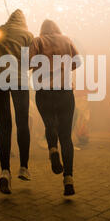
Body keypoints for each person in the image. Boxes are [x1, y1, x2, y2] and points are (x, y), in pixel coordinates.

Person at [29, 19, 81, 196]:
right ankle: (68, 179)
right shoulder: (66, 40)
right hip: (65, 92)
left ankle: (52, 150)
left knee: (49, 124)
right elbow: (77, 62)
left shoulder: (37, 41)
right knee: (66, 136)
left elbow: (28, 63)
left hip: (44, 91)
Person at [0, 9, 33, 194]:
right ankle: (23, 167)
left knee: (4, 125)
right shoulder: (28, 35)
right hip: (19, 80)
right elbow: (30, 62)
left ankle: (5, 171)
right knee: (22, 123)